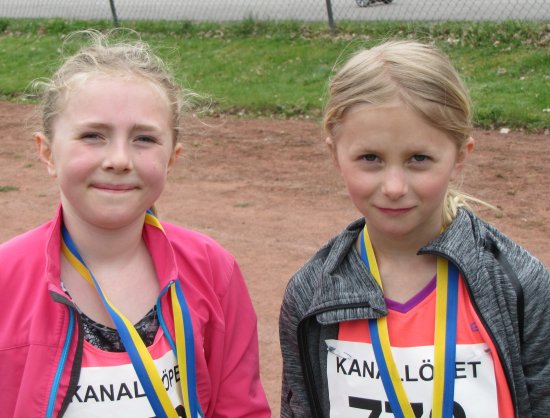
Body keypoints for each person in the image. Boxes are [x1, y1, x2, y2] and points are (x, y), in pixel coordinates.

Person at [0, 30, 270, 418]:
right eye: (93, 135)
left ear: (172, 158)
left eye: (144, 139)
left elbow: (240, 410)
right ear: (47, 152)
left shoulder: (213, 270)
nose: (120, 159)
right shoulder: (5, 279)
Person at [279, 40, 550, 418]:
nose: (393, 186)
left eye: (418, 159)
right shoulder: (311, 295)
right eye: (370, 158)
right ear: (335, 154)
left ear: (459, 157)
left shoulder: (519, 284)